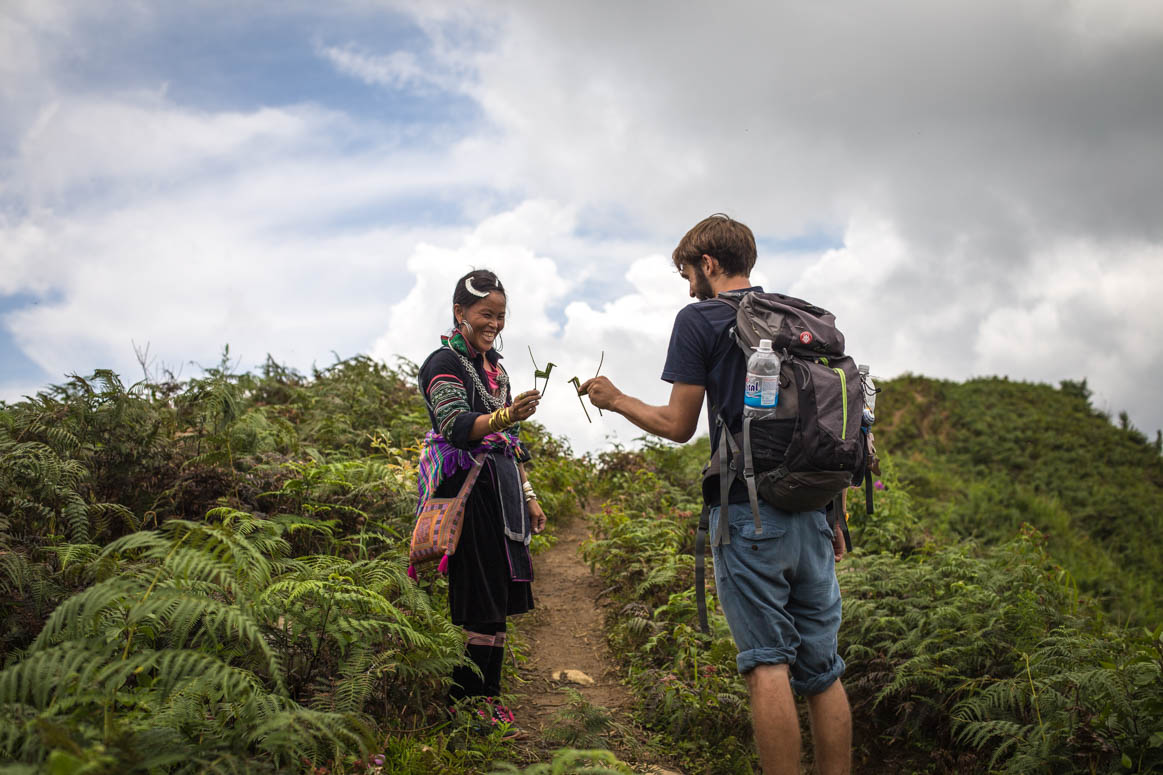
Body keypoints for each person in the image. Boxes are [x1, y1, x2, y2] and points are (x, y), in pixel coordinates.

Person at [581, 214, 851, 775]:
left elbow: (678, 424)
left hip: (751, 516)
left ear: (708, 264)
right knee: (823, 671)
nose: (688, 287)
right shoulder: (800, 319)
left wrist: (617, 400)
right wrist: (835, 516)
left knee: (767, 665)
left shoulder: (699, 318)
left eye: (688, 273)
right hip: (815, 512)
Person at [416, 269, 547, 734]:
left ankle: (486, 703)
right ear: (460, 313)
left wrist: (529, 496)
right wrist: (504, 414)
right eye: (485, 314)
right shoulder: (442, 363)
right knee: (480, 604)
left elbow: (510, 441)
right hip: (468, 495)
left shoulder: (498, 370)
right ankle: (463, 708)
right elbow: (455, 424)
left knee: (498, 604)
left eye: (501, 315)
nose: (494, 323)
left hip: (503, 493)